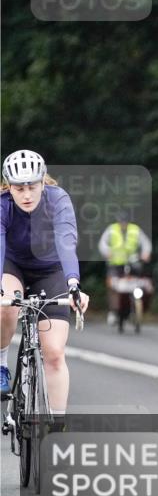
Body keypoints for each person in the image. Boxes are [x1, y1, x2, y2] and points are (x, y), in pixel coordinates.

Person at [0, 150, 89, 422]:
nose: (26, 195)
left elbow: (66, 241)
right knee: (6, 305)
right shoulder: (3, 205)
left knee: (54, 353)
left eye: (32, 187)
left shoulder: (58, 200)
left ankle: (57, 428)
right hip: (12, 266)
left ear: (42, 182)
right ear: (9, 186)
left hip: (50, 269)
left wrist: (73, 284)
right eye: (19, 188)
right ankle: (2, 364)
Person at [98, 211, 152, 326]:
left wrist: (146, 253)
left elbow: (145, 243)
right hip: (115, 263)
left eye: (125, 222)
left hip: (132, 262)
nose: (123, 224)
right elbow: (103, 243)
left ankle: (136, 305)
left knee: (139, 282)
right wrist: (107, 252)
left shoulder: (135, 229)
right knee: (112, 286)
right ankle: (113, 311)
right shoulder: (111, 229)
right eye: (121, 222)